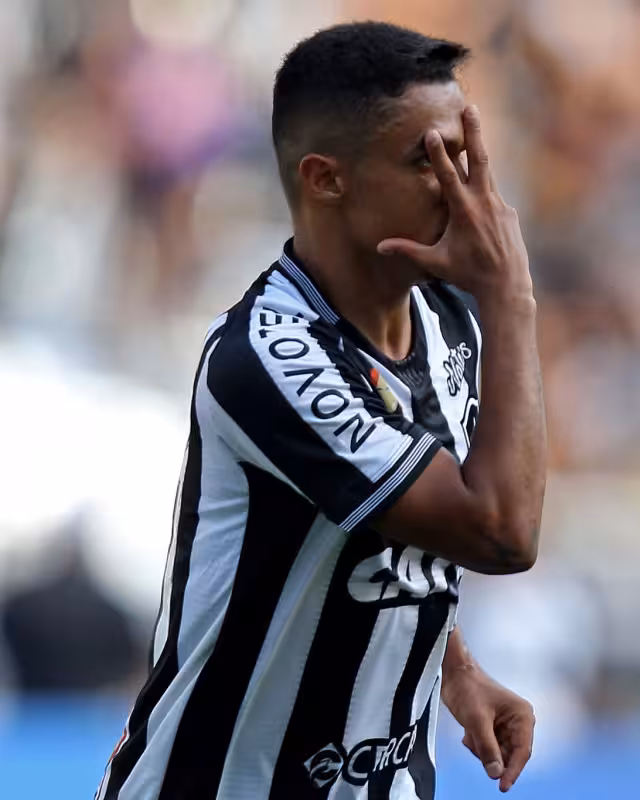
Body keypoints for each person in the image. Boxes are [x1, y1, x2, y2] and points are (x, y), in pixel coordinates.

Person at [96, 21, 546, 800]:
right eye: (428, 160)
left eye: (466, 157)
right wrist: (514, 297)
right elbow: (501, 532)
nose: (463, 188)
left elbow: (391, 525)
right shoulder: (270, 359)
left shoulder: (449, 323)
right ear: (326, 179)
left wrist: (454, 667)